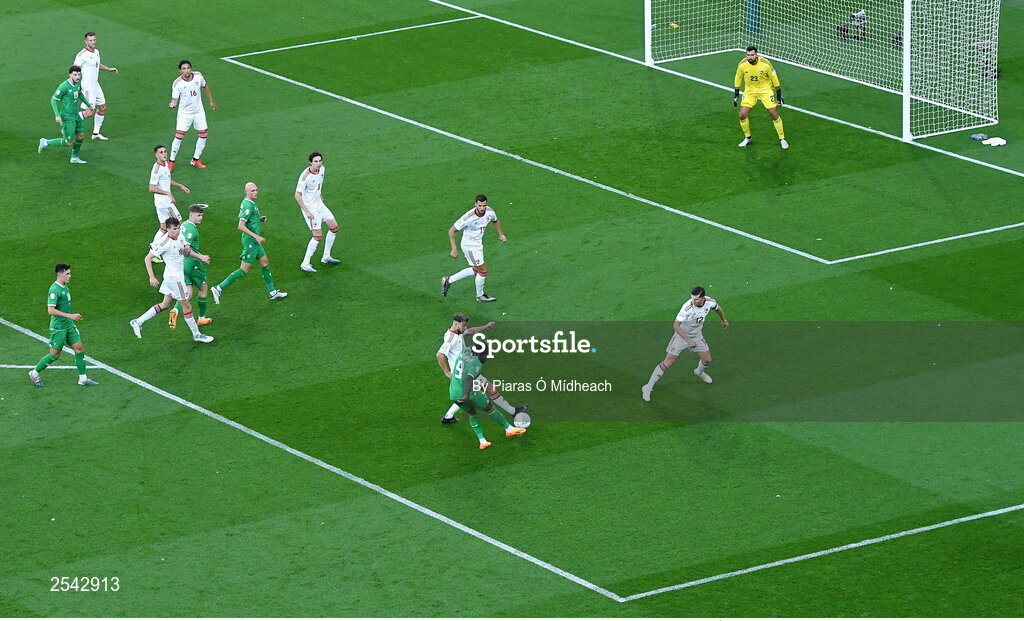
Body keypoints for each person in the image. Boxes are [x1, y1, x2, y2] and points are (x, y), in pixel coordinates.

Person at [129, 217, 214, 343]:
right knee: (187, 306)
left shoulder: (180, 236)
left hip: (171, 277)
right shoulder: (164, 243)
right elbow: (148, 258)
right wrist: (151, 277)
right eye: (174, 229)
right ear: (167, 229)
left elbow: (186, 250)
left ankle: (137, 321)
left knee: (166, 304)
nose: (177, 231)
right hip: (175, 279)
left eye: (178, 228)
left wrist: (199, 256)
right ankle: (196, 334)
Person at [435, 313, 526, 424]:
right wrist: (446, 372)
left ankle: (448, 416)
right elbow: (440, 355)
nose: (465, 328)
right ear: (456, 323)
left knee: (468, 395)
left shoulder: (457, 331)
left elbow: (471, 331)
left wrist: (486, 326)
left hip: (465, 370)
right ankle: (512, 413)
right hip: (465, 373)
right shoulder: (451, 338)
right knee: (486, 389)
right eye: (464, 326)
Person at [642, 286, 729, 401]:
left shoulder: (710, 302)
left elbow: (718, 309)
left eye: (696, 299)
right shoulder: (687, 308)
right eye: (692, 298)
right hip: (681, 335)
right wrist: (688, 340)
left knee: (707, 359)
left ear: (703, 298)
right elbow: (676, 325)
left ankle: (698, 372)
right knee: (669, 361)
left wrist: (723, 320)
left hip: (697, 335)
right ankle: (648, 387)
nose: (693, 301)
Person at [211, 182, 288, 303]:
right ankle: (218, 288)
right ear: (247, 192)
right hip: (251, 242)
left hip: (254, 241)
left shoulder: (248, 203)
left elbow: (241, 215)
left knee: (265, 263)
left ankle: (273, 292)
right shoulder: (248, 205)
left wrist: (258, 219)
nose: (255, 192)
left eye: (256, 190)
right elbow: (240, 226)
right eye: (252, 191)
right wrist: (256, 236)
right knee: (244, 270)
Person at [29, 264, 99, 387]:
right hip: (58, 327)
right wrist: (70, 316)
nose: (70, 276)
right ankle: (34, 373)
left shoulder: (64, 286)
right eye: (67, 274)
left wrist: (70, 318)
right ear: (59, 275)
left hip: (68, 325)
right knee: (54, 355)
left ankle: (83, 378)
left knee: (79, 348)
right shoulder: (54, 290)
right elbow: (50, 310)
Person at [449, 348, 526, 450]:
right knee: (489, 407)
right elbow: (469, 378)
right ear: (480, 354)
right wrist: (466, 395)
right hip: (468, 392)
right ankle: (509, 429)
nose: (486, 358)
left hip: (453, 392)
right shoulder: (476, 364)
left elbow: (471, 347)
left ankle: (482, 442)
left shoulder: (465, 352)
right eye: (486, 355)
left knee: (472, 413)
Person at [441, 194, 507, 303]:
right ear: (475, 204)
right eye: (479, 205)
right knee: (483, 271)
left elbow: (495, 220)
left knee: (477, 270)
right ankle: (480, 296)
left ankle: (448, 280)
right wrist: (454, 249)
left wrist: (501, 234)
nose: (482, 208)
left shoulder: (490, 212)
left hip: (478, 244)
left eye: (484, 205)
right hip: (469, 246)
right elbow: (451, 231)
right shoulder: (468, 217)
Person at [168, 204, 214, 330]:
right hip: (192, 263)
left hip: (181, 264)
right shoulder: (192, 230)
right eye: (198, 215)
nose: (201, 218)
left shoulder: (182, 225)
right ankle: (201, 318)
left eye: (202, 216)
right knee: (203, 288)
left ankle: (175, 311)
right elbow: (186, 248)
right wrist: (201, 257)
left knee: (187, 293)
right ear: (192, 215)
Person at [733, 46, 788, 150]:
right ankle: (748, 138)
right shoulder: (742, 64)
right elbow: (738, 76)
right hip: (750, 91)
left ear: (756, 54)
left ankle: (782, 138)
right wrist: (736, 93)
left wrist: (779, 95)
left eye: (752, 55)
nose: (750, 57)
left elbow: (774, 78)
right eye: (748, 55)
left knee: (773, 113)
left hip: (765, 90)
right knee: (742, 115)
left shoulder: (765, 64)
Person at [38, 65, 95, 164]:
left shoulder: (78, 84)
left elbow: (79, 93)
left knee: (80, 136)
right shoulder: (64, 86)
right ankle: (46, 142)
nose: (77, 77)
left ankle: (74, 158)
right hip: (67, 117)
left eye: (79, 74)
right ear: (70, 75)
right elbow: (53, 100)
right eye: (75, 75)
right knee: (69, 142)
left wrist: (88, 105)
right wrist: (57, 115)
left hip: (76, 115)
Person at [295, 151, 341, 272]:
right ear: (310, 162)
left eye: (320, 161)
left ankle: (326, 256)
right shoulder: (305, 177)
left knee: (334, 227)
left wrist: (319, 194)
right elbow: (297, 196)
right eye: (316, 161)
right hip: (310, 209)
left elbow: (318, 184)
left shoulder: (322, 170)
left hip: (320, 205)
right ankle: (305, 263)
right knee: (317, 236)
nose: (319, 163)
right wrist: (307, 212)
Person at [168, 60, 217, 170]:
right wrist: (172, 104)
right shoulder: (177, 83)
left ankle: (195, 159)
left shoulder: (198, 76)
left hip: (198, 112)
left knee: (203, 134)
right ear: (180, 70)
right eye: (184, 69)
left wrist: (211, 101)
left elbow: (205, 86)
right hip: (185, 114)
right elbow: (175, 100)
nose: (187, 70)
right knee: (179, 137)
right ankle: (171, 161)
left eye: (188, 68)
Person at [73, 32, 118, 140]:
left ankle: (96, 134)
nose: (93, 42)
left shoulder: (96, 52)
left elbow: (97, 65)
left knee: (102, 107)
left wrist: (108, 68)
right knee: (90, 112)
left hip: (95, 85)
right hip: (87, 87)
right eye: (90, 40)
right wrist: (74, 84)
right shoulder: (82, 55)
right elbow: (74, 68)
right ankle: (68, 121)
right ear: (86, 41)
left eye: (94, 40)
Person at [149, 145, 191, 255]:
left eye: (165, 152)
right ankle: (183, 248)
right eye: (161, 152)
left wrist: (180, 185)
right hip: (165, 203)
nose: (164, 154)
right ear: (156, 155)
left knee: (163, 227)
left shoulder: (166, 164)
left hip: (162, 203)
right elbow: (151, 188)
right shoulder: (156, 169)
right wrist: (167, 193)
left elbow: (167, 180)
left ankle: (153, 248)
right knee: (179, 223)